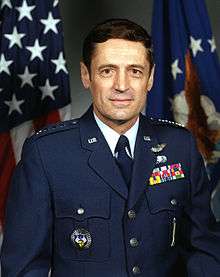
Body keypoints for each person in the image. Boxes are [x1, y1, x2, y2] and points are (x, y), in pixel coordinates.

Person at [1, 18, 220, 277]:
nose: (122, 85)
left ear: (150, 78)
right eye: (107, 71)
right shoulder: (46, 154)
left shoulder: (179, 145)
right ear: (86, 75)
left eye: (135, 71)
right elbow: (24, 268)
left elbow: (203, 246)